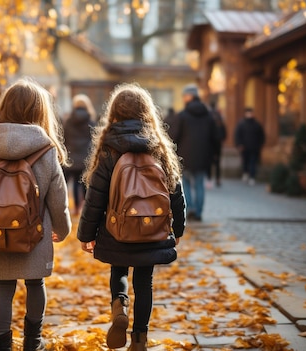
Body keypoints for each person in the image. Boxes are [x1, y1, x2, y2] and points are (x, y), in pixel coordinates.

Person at [77, 83, 186, 351]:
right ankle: (140, 339)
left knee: (119, 269)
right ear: (147, 112)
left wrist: (86, 235)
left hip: (116, 228)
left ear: (114, 112)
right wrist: (179, 228)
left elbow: (96, 196)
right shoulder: (158, 145)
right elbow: (175, 191)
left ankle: (120, 305)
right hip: (154, 228)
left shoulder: (109, 147)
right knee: (145, 281)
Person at [0, 77, 72, 351]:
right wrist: (62, 230)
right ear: (40, 111)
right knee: (35, 283)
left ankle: (1, 346)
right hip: (34, 232)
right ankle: (33, 343)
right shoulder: (46, 149)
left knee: (2, 287)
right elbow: (58, 199)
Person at [168, 84, 219, 221]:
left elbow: (173, 136)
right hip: (203, 157)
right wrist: (214, 154)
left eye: (185, 96)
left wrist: (171, 153)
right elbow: (215, 137)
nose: (184, 99)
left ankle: (190, 208)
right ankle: (198, 212)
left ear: (189, 96)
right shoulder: (208, 116)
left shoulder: (182, 116)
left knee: (185, 183)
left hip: (185, 156)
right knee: (199, 183)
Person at [63, 94, 97, 215]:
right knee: (84, 183)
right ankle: (84, 208)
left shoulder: (68, 122)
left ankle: (76, 209)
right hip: (85, 158)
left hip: (71, 157)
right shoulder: (91, 122)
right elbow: (94, 141)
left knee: (75, 184)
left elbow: (64, 139)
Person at [235, 107, 266, 186]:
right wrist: (239, 144)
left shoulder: (256, 124)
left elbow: (261, 136)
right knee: (245, 162)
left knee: (253, 163)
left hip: (254, 147)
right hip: (244, 147)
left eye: (251, 113)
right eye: (248, 113)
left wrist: (260, 145)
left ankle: (252, 177)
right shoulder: (241, 124)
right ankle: (245, 173)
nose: (249, 115)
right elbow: (237, 135)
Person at [207, 101, 227, 187]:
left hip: (209, 143)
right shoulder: (219, 118)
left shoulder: (208, 117)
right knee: (217, 162)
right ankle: (217, 179)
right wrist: (222, 139)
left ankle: (209, 179)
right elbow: (224, 131)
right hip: (217, 143)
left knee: (209, 162)